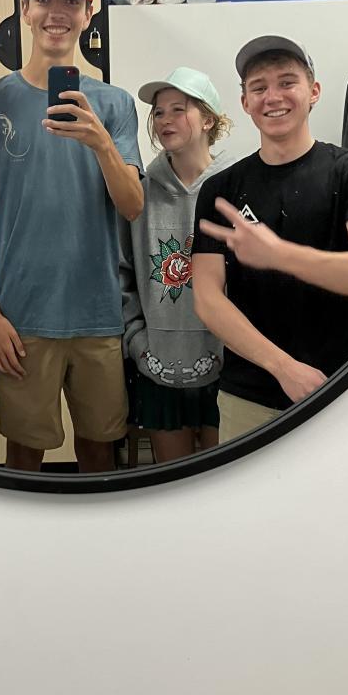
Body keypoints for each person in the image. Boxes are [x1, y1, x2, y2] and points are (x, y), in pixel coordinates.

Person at [0, 0, 144, 474]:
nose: (56, 12)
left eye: (71, 0)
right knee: (23, 453)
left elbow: (132, 205)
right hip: (21, 315)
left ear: (88, 14)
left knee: (100, 450)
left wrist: (101, 143)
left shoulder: (113, 103)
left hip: (97, 310)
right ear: (25, 9)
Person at [192, 35, 348, 443]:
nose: (273, 97)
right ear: (245, 102)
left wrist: (279, 254)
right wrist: (283, 368)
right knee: (249, 488)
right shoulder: (221, 189)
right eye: (259, 87)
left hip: (341, 388)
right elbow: (207, 299)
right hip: (247, 397)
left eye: (287, 82)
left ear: (313, 91)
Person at [120, 68, 234, 463]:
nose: (165, 120)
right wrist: (139, 345)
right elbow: (122, 274)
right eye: (158, 112)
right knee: (172, 481)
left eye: (178, 109)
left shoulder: (236, 187)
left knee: (226, 479)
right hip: (158, 365)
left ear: (208, 120)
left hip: (230, 366)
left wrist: (232, 347)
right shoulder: (138, 191)